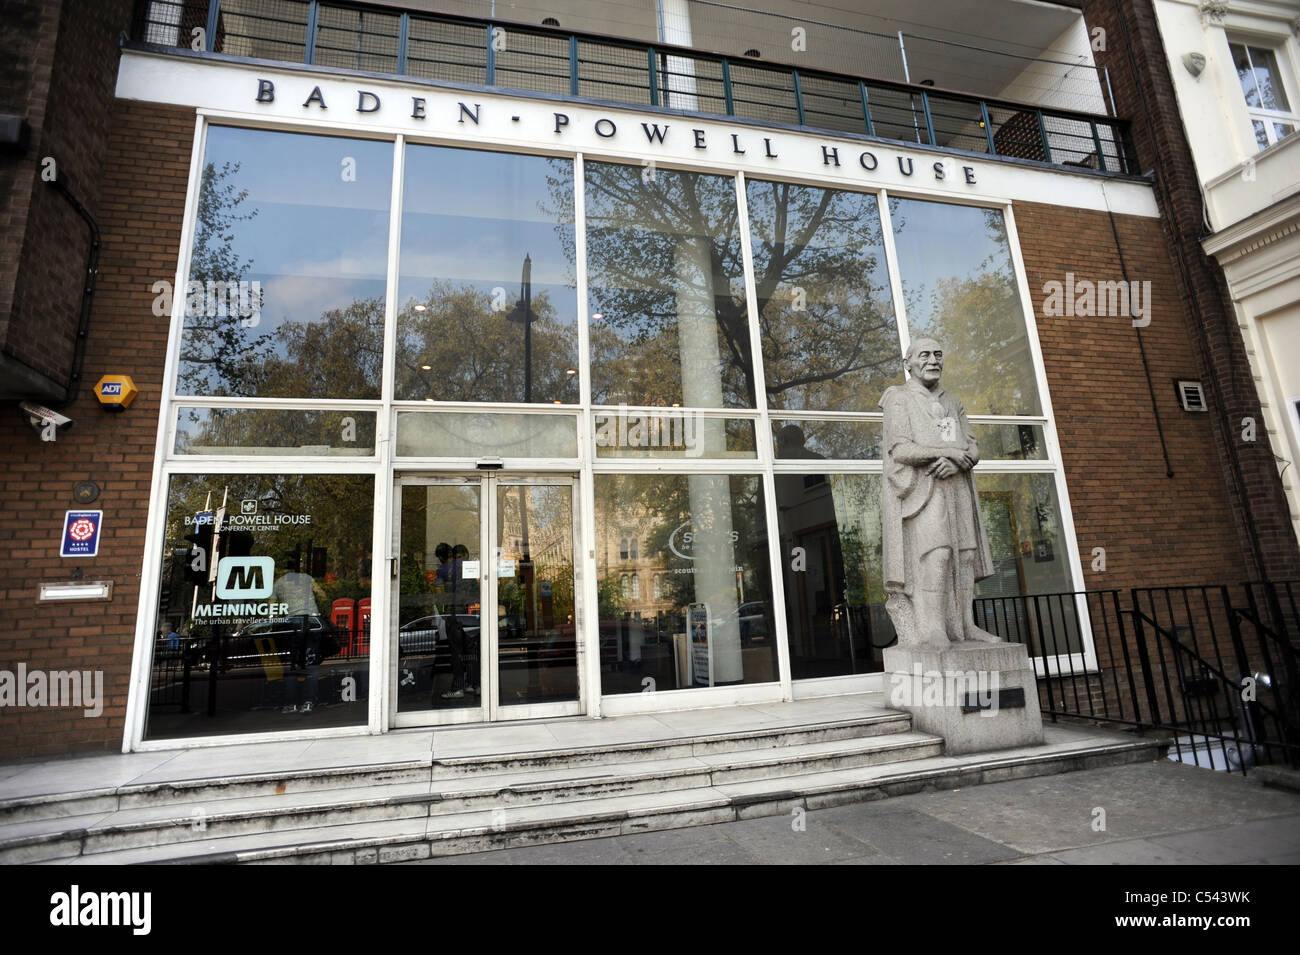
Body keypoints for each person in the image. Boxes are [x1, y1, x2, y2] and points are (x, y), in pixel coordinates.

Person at [880, 338, 1000, 647]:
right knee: (938, 553)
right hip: (924, 489)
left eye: (937, 354)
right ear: (909, 364)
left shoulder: (953, 401)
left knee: (966, 555)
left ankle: (965, 625)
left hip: (957, 486)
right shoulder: (898, 399)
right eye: (924, 355)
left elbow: (972, 447)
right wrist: (946, 453)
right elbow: (901, 449)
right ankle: (932, 627)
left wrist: (959, 463)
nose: (933, 360)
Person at [271, 557, 325, 713]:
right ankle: (308, 702)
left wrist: (274, 620)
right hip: (311, 622)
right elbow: (321, 594)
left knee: (292, 665)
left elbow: (271, 605)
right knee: (312, 665)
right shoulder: (307, 578)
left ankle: (291, 704)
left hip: (291, 624)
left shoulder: (280, 582)